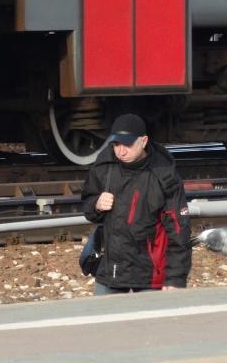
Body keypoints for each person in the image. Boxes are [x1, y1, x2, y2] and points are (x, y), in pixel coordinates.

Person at [81, 113, 191, 295]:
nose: (121, 151)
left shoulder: (163, 175)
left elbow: (179, 230)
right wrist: (96, 204)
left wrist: (175, 278)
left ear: (144, 141)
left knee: (152, 323)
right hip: (111, 271)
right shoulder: (104, 166)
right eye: (116, 144)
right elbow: (88, 207)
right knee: (103, 321)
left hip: (150, 275)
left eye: (128, 144)